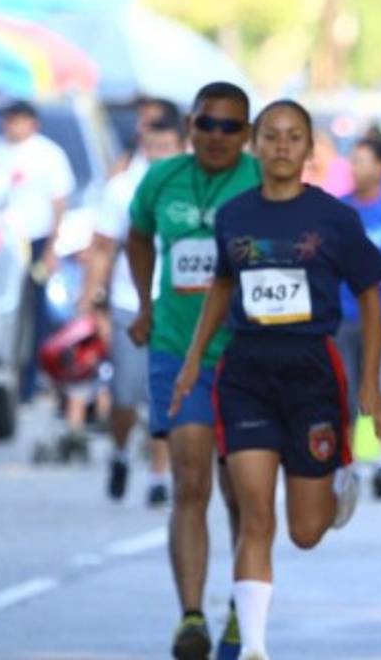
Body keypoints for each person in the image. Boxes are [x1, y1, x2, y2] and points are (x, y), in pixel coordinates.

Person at [171, 99, 381, 660]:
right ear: (256, 145)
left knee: (305, 531)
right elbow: (222, 287)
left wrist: (370, 384)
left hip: (313, 372)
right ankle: (255, 647)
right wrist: (195, 358)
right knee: (255, 512)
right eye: (272, 136)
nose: (282, 146)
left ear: (309, 148)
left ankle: (337, 479)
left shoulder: (334, 217)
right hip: (245, 373)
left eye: (294, 137)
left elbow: (370, 295)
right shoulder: (235, 216)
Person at [127, 81, 262, 660]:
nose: (217, 136)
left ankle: (241, 606)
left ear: (247, 134)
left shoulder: (261, 178)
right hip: (178, 353)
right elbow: (136, 236)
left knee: (242, 492)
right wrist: (144, 303)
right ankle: (190, 617)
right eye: (207, 124)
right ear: (190, 126)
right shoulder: (161, 179)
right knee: (189, 479)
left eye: (231, 127)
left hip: (250, 358)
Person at [78, 104, 183, 504]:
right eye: (152, 145)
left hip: (175, 306)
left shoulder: (191, 186)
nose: (158, 153)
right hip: (129, 303)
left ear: (180, 145)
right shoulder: (123, 188)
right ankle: (121, 452)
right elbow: (102, 248)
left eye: (167, 146)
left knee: (164, 394)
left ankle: (159, 476)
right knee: (124, 396)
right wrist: (91, 302)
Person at [0, 99, 75, 403]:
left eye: (17, 119)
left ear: (32, 123)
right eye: (8, 119)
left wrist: (52, 249)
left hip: (35, 241)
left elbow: (59, 204)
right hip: (0, 244)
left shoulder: (48, 155)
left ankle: (28, 381)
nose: (11, 125)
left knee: (33, 312)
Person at [339, 135, 381, 498]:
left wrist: (380, 272)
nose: (355, 167)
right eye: (353, 160)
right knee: (345, 389)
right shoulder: (339, 211)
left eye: (363, 160)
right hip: (343, 315)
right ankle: (348, 462)